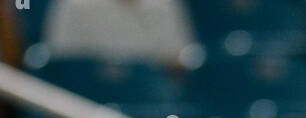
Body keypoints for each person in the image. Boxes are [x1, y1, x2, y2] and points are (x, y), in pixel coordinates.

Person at [42, 0, 196, 64]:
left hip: (152, 106)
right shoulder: (73, 5)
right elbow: (61, 68)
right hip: (86, 111)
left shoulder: (165, 5)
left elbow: (183, 61)